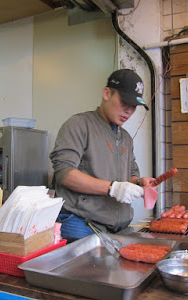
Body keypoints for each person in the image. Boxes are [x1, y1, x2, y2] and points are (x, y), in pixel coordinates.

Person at [50, 69, 158, 242]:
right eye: (124, 102)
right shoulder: (79, 125)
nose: (128, 111)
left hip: (118, 227)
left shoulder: (126, 138)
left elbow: (129, 175)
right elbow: (64, 173)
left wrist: (138, 183)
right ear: (107, 93)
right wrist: (113, 188)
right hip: (82, 224)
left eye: (133, 106)